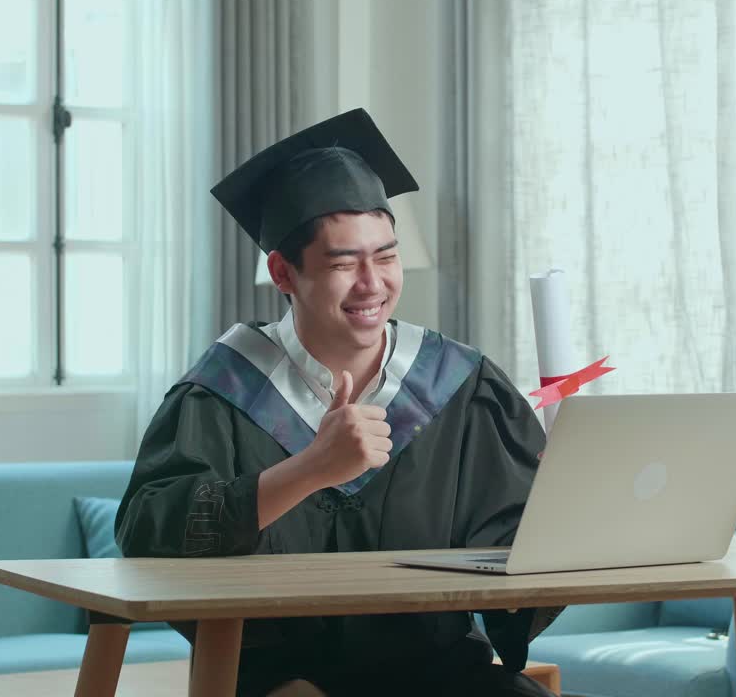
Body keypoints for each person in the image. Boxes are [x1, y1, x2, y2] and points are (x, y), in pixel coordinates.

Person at [116, 109, 560, 697]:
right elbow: (147, 535)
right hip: (279, 677)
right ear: (283, 272)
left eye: (386, 256)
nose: (373, 283)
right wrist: (311, 469)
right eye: (343, 263)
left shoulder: (461, 384)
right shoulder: (222, 390)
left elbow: (520, 544)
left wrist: (577, 511)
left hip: (442, 671)